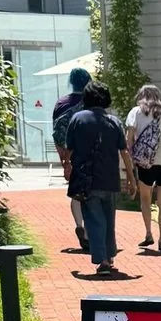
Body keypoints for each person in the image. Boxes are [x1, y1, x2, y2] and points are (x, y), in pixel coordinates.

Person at [66, 81, 137, 276]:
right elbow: (124, 152)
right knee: (109, 220)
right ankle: (110, 254)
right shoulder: (113, 121)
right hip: (110, 179)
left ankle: (103, 260)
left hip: (87, 180)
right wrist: (131, 178)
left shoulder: (78, 119)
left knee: (94, 220)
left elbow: (69, 148)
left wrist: (67, 166)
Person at [126, 85, 161, 253]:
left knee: (145, 198)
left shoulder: (136, 112)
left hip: (145, 163)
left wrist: (131, 159)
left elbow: (128, 139)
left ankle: (149, 233)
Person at [52, 66, 92, 250]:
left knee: (75, 192)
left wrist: (64, 161)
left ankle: (79, 226)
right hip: (89, 153)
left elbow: (57, 133)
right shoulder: (91, 103)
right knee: (91, 193)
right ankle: (91, 233)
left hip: (69, 154)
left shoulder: (61, 103)